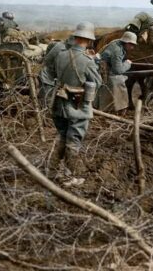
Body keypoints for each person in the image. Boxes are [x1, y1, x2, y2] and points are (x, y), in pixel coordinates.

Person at [48, 21, 102, 187]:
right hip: (78, 107)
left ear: (76, 37)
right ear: (88, 40)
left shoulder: (61, 55)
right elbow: (97, 82)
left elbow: (53, 74)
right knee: (74, 140)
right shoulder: (87, 61)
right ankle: (68, 178)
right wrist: (94, 62)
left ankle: (51, 171)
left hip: (59, 103)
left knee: (62, 136)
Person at [96, 31, 137, 113]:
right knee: (119, 81)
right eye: (131, 45)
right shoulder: (117, 50)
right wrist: (127, 64)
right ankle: (120, 107)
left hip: (105, 67)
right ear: (126, 42)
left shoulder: (117, 43)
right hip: (103, 70)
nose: (132, 47)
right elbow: (118, 70)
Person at [38, 35, 75, 108]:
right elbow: (49, 61)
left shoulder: (63, 46)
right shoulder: (61, 48)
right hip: (47, 76)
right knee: (46, 100)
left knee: (51, 99)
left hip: (53, 76)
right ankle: (41, 114)